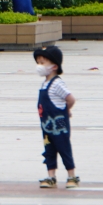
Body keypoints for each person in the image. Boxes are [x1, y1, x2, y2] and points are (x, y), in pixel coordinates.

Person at [33, 45, 78, 188]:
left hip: (59, 126)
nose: (39, 66)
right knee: (49, 151)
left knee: (64, 149)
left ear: (54, 66)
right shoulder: (44, 83)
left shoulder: (57, 83)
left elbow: (70, 99)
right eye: (38, 63)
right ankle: (51, 176)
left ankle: (72, 176)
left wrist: (66, 110)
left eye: (42, 63)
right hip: (46, 127)